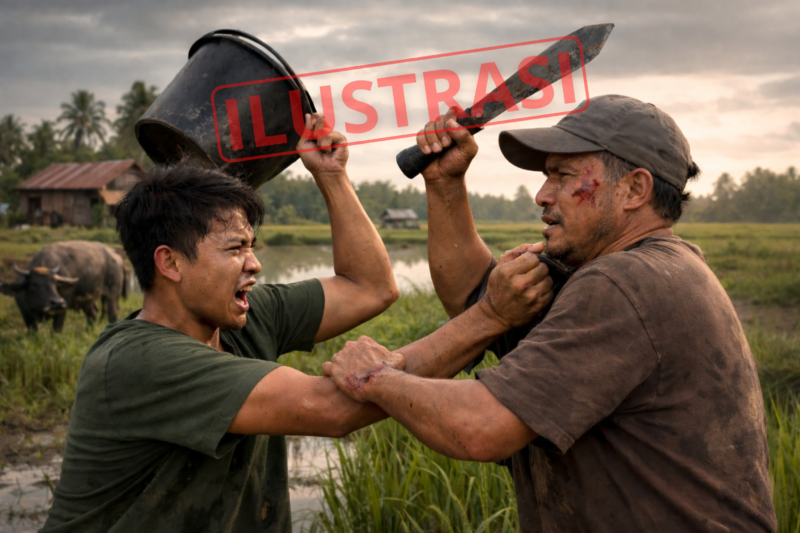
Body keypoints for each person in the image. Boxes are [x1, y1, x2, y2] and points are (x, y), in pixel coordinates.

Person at [40, 113, 550, 533]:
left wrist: (331, 176)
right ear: (169, 264)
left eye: (253, 246)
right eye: (235, 248)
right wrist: (491, 317)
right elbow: (334, 410)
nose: (254, 264)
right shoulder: (140, 361)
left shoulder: (241, 318)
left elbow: (370, 287)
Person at [324, 95, 778, 532]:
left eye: (562, 175)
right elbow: (474, 300)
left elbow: (482, 428)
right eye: (547, 176)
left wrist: (375, 377)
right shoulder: (635, 268)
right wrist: (445, 183)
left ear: (634, 189)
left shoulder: (626, 282)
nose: (542, 194)